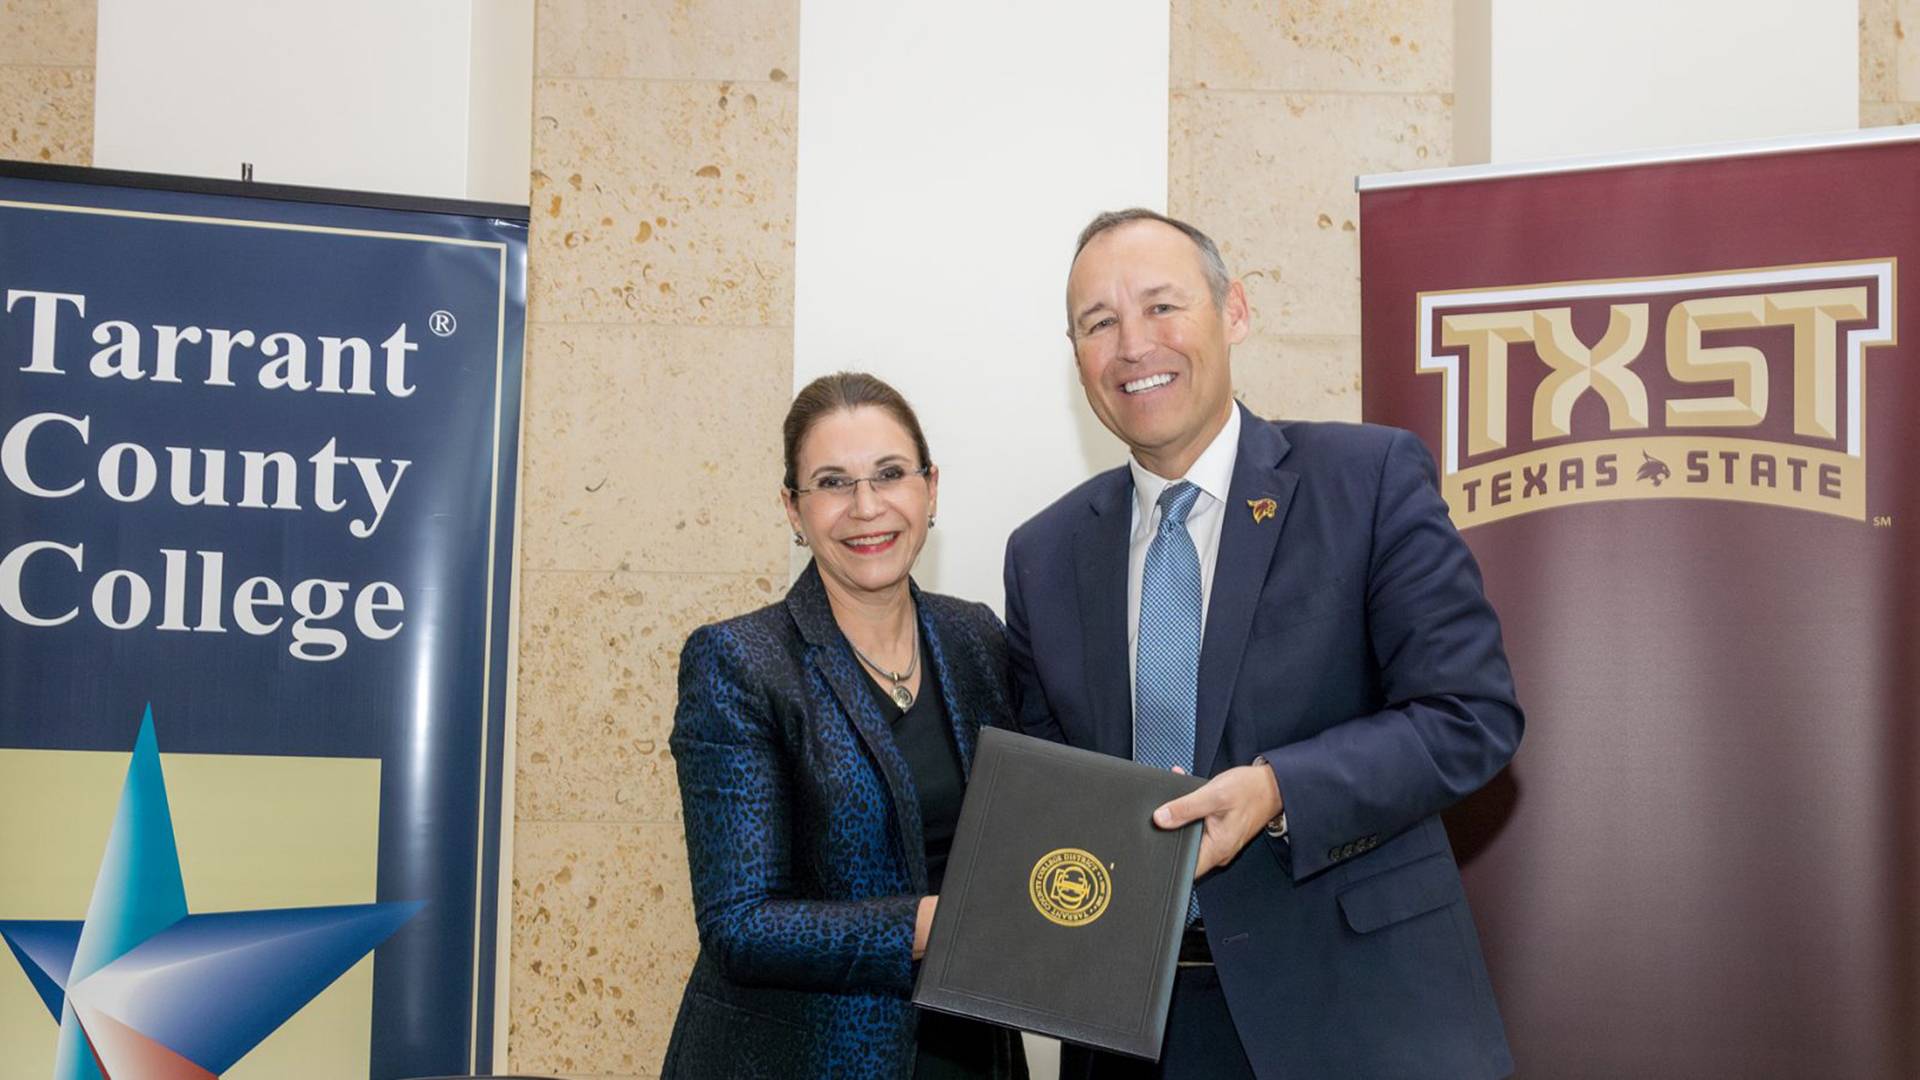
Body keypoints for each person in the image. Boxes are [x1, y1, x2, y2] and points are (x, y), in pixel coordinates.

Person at [1003, 209, 1522, 1079]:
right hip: (1131, 1035)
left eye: (1163, 307)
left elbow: (1470, 716)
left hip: (1354, 1015)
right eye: (1100, 324)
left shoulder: (1367, 480)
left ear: (1233, 312)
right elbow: (1048, 786)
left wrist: (1280, 789)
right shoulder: (1044, 554)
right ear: (1078, 355)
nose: (1134, 345)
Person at [662, 372, 1027, 1079]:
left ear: (930, 488)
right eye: (833, 483)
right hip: (802, 1059)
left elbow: (1031, 811)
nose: (867, 507)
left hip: (970, 1053)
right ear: (793, 511)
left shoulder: (974, 638)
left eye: (890, 474)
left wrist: (1138, 817)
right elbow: (740, 924)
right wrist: (926, 928)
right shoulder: (738, 662)